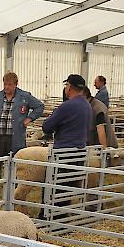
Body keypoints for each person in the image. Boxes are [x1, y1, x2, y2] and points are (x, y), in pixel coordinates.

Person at [0, 72, 44, 198]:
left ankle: (14, 189)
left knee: (15, 163)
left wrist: (29, 118)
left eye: (9, 84)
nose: (7, 87)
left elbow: (39, 106)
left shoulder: (24, 97)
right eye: (5, 84)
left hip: (15, 137)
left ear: (16, 84)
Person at [41, 74, 92, 220]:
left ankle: (50, 218)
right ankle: (62, 217)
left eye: (66, 86)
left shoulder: (66, 106)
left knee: (54, 185)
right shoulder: (87, 106)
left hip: (63, 153)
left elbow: (47, 127)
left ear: (69, 88)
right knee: (68, 186)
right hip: (79, 153)